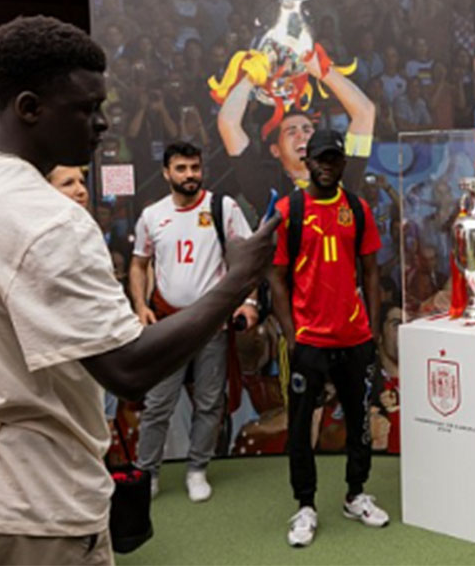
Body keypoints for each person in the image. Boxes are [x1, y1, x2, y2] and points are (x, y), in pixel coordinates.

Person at [0, 15, 277, 565]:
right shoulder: (48, 219)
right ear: (29, 108)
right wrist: (239, 277)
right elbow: (128, 369)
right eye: (86, 108)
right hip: (26, 506)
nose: (101, 123)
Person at [268, 129, 387, 548]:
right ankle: (305, 505)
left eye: (333, 158)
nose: (326, 165)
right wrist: (292, 334)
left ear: (342, 163)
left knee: (360, 421)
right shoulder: (289, 210)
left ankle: (356, 494)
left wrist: (371, 328)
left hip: (353, 337)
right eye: (319, 158)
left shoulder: (356, 208)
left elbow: (371, 272)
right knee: (301, 425)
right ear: (307, 162)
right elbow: (276, 279)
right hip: (309, 340)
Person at [129, 142, 257, 502]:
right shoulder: (152, 215)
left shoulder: (223, 207)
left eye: (195, 167)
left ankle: (198, 469)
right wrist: (140, 305)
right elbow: (139, 263)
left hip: (211, 324)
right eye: (181, 168)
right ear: (166, 173)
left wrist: (247, 302)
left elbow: (247, 258)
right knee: (157, 404)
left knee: (209, 402)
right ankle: (147, 472)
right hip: (169, 325)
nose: (189, 175)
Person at [215, 36, 375, 213]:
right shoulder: (266, 189)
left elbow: (365, 113)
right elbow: (228, 124)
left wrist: (324, 73)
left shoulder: (342, 176)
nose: (302, 135)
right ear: (275, 150)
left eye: (307, 129)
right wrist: (251, 77)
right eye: (291, 132)